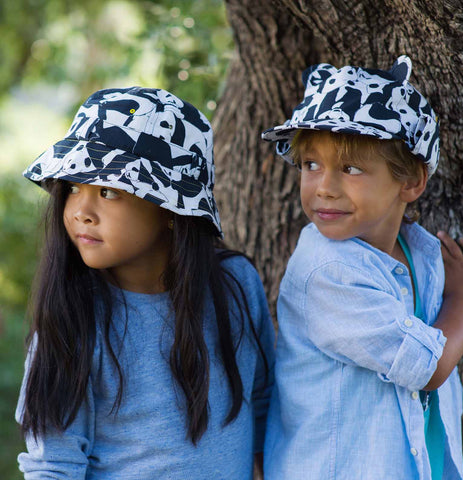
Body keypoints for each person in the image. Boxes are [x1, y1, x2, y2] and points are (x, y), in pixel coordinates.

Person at [16, 86, 275, 479]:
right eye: (72, 188)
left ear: (172, 207)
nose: (81, 211)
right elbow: (52, 466)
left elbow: (263, 405)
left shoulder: (234, 285)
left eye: (107, 191)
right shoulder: (73, 320)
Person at [261, 55, 463, 480]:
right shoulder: (327, 270)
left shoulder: (419, 253)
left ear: (411, 181)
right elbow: (428, 368)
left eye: (352, 168)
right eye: (311, 165)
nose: (324, 186)